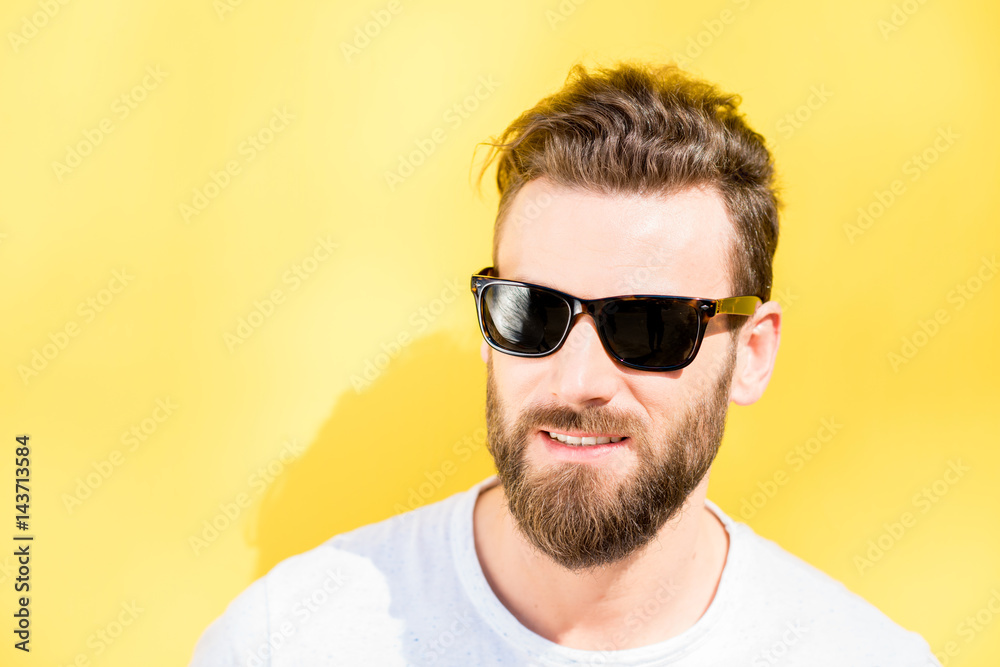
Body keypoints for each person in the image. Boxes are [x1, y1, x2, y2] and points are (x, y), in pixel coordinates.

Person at [190, 61, 939, 666]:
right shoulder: (284, 642)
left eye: (649, 327)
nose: (579, 381)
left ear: (752, 353)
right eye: (533, 314)